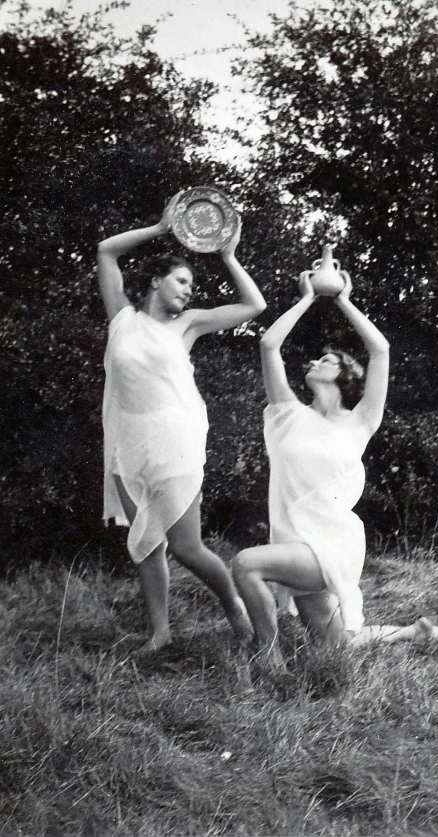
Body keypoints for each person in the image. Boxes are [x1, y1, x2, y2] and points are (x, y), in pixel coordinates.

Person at [232, 265, 438, 667]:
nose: (314, 361)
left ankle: (267, 658)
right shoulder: (288, 413)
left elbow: (380, 350)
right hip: (295, 541)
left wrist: (343, 298)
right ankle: (413, 632)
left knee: (245, 564)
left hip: (332, 544)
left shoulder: (360, 421)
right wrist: (307, 297)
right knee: (336, 648)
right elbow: (268, 345)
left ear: (345, 375)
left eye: (325, 360)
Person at [98, 196, 266, 653]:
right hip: (128, 442)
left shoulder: (188, 325)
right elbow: (106, 251)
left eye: (191, 283)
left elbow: (254, 305)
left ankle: (233, 602)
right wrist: (161, 226)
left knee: (186, 547)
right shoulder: (122, 318)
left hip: (175, 439)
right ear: (155, 281)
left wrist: (228, 254)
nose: (189, 290)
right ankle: (160, 633)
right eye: (182, 280)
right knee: (145, 545)